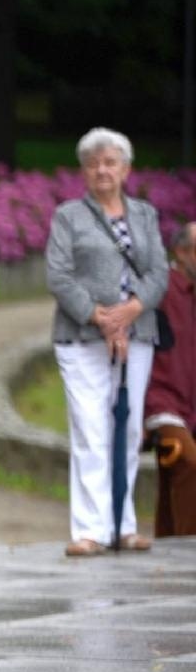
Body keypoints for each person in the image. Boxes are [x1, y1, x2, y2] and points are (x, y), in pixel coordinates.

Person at [45, 127, 169, 556]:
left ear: (126, 170)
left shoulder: (145, 215)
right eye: (94, 163)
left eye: (111, 162)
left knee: (129, 430)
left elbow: (159, 273)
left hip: (138, 334)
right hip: (81, 337)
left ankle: (124, 525)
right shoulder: (68, 217)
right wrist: (101, 317)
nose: (102, 170)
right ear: (83, 171)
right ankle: (90, 530)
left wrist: (130, 311)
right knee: (90, 429)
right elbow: (58, 275)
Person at [146, 222, 196, 536]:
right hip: (161, 403)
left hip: (190, 405)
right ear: (181, 252)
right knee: (190, 465)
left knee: (171, 481)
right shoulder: (160, 290)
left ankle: (167, 545)